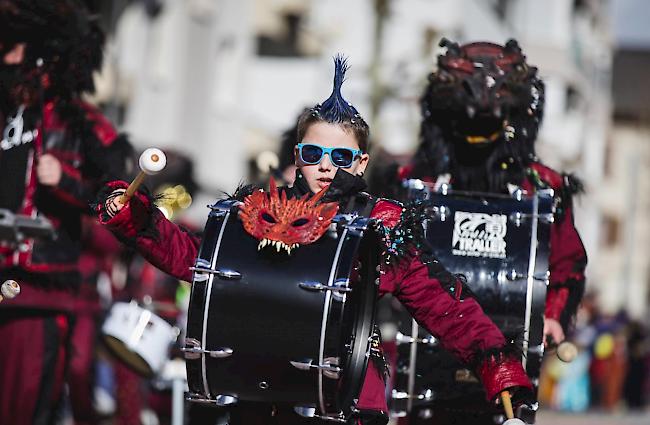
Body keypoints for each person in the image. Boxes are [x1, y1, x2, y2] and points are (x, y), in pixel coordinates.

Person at [97, 55, 532, 425]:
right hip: (263, 394)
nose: (326, 167)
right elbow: (197, 261)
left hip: (347, 395)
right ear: (297, 157)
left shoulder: (382, 224)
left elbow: (446, 306)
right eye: (313, 154)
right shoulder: (259, 211)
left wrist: (500, 368)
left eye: (341, 157)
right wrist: (134, 217)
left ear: (361, 163)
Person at [388, 39, 587, 346]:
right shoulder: (415, 183)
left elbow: (565, 263)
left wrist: (553, 316)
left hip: (512, 345)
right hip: (421, 343)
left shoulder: (543, 189)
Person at [0, 2, 132, 424]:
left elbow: (117, 198)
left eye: (15, 44)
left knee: (21, 410)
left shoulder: (82, 124)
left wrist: (67, 181)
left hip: (36, 290)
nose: (6, 54)